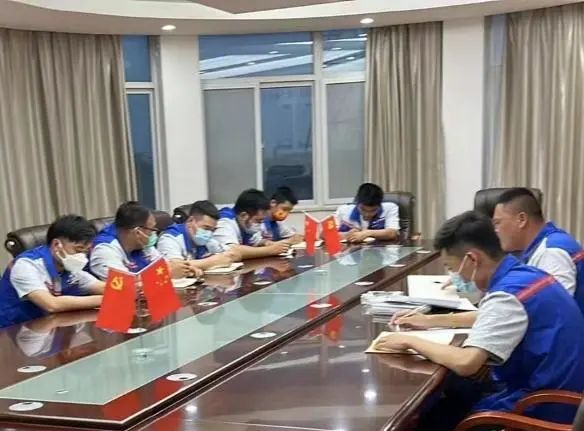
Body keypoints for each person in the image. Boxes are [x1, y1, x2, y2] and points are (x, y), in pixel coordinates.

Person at [375, 211, 584, 429]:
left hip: (542, 409)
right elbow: (492, 316)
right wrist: (429, 321)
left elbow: (467, 362)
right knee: (458, 392)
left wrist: (409, 341)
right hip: (560, 392)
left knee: (434, 416)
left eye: (451, 268)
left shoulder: (506, 295)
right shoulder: (525, 276)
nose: (454, 276)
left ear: (472, 259)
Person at [0, 215, 104, 328]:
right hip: (14, 330)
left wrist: (117, 291)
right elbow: (51, 304)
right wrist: (106, 300)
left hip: (49, 326)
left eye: (86, 251)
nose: (82, 256)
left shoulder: (68, 265)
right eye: (78, 249)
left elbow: (101, 287)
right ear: (56, 245)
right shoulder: (26, 265)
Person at [493, 187, 584, 308]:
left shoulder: (551, 252)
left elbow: (553, 309)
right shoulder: (543, 245)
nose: (496, 230)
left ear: (522, 219)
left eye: (498, 223)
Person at [90, 201, 189, 280]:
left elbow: (164, 265)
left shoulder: (141, 242)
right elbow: (124, 284)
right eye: (152, 230)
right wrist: (166, 273)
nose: (154, 234)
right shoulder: (104, 250)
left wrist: (183, 268)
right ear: (138, 232)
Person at [157, 200, 240, 272]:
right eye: (206, 228)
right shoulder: (170, 238)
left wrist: (224, 257)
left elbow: (233, 254)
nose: (209, 233)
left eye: (212, 230)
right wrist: (212, 262)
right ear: (190, 221)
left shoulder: (206, 238)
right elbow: (176, 268)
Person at [212, 189, 291, 259]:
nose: (260, 225)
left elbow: (256, 241)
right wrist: (270, 250)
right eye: (258, 221)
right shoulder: (225, 222)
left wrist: (270, 244)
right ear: (244, 215)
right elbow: (232, 251)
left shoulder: (245, 225)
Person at [335, 183, 399, 243]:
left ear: (380, 205)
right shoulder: (343, 210)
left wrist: (367, 233)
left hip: (380, 248)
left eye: (373, 210)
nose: (367, 214)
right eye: (363, 209)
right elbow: (329, 235)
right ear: (357, 203)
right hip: (351, 249)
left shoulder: (390, 208)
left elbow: (393, 233)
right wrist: (346, 235)